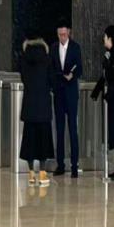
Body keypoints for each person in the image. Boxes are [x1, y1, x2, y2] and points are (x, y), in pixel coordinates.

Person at [91, 25, 114, 180]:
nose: (103, 40)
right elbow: (105, 75)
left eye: (105, 37)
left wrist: (109, 93)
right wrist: (97, 91)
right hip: (112, 98)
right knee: (112, 132)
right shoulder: (109, 54)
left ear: (110, 38)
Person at [19, 31, 55, 186]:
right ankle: (42, 173)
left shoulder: (24, 59)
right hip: (43, 106)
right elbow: (51, 79)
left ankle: (31, 174)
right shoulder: (47, 58)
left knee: (30, 141)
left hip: (29, 106)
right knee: (43, 141)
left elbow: (24, 78)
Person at [50, 18, 83, 178]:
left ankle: (74, 166)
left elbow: (80, 68)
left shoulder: (75, 47)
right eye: (59, 35)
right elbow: (51, 69)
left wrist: (72, 75)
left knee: (72, 129)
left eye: (64, 34)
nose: (62, 37)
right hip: (59, 92)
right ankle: (60, 164)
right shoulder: (53, 48)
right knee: (60, 129)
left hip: (71, 92)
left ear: (68, 32)